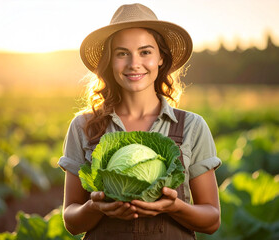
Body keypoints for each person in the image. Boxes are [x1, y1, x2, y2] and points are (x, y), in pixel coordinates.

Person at [58, 3, 221, 239]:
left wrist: (175, 207)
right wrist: (94, 207)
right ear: (109, 61)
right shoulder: (83, 126)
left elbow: (212, 219)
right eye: (122, 53)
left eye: (145, 52)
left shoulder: (192, 127)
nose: (134, 63)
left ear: (161, 58)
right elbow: (71, 221)